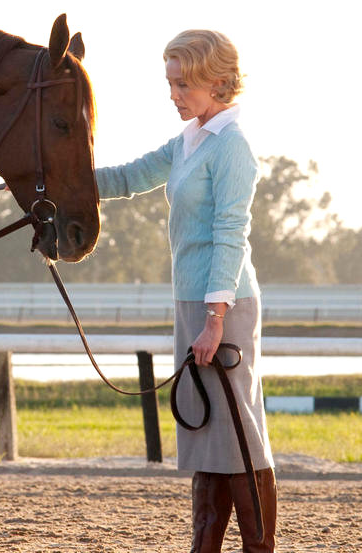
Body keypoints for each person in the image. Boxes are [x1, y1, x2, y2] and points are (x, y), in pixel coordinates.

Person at [94, 29, 276, 552]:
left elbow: (231, 233)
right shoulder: (190, 140)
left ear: (217, 82)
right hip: (192, 302)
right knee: (205, 432)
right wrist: (60, 177)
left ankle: (259, 548)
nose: (173, 95)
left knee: (238, 435)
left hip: (224, 304)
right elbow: (128, 177)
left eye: (183, 86)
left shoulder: (232, 146)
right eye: (170, 84)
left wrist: (215, 318)